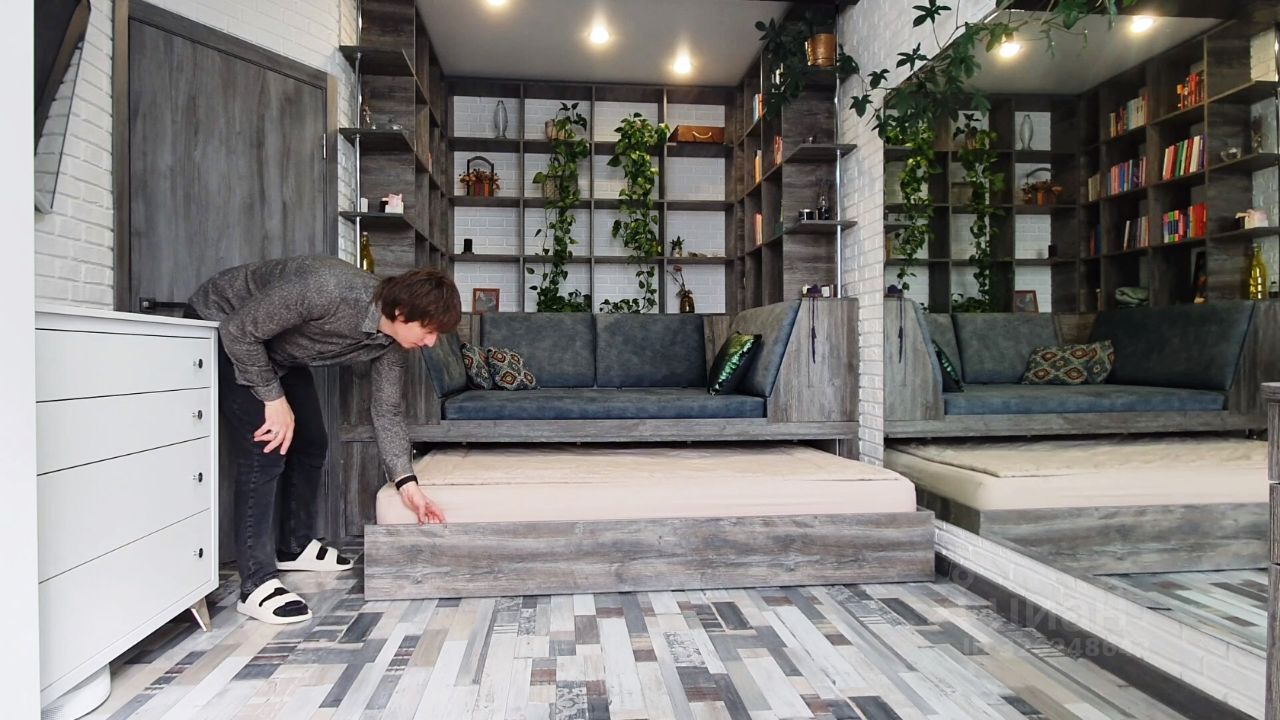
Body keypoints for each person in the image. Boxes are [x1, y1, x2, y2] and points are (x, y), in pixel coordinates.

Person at [185, 256, 461, 624]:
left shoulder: (392, 344)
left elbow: (387, 411)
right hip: (224, 325)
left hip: (276, 350)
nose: (431, 342)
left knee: (312, 442)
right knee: (267, 448)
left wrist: (407, 484)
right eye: (428, 330)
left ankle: (293, 546)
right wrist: (273, 398)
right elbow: (238, 330)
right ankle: (255, 583)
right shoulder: (328, 290)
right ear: (400, 312)